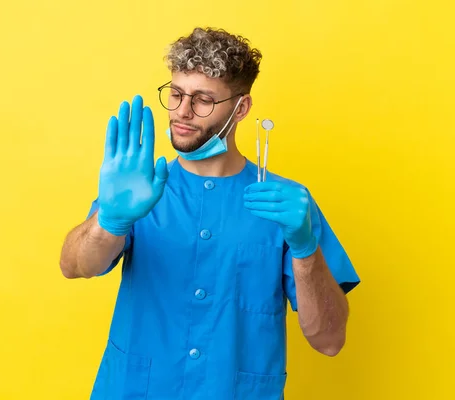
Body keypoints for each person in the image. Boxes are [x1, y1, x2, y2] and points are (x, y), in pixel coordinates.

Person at [59, 27, 360, 400]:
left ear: (242, 107)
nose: (182, 112)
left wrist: (305, 249)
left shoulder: (284, 204)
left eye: (202, 100)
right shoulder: (140, 188)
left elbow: (329, 340)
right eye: (176, 94)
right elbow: (74, 267)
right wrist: (110, 222)